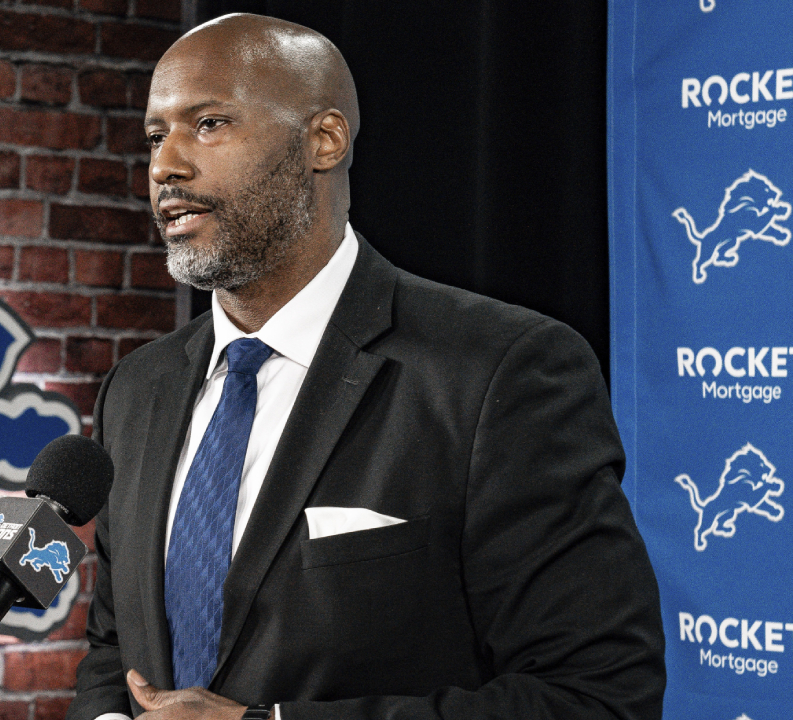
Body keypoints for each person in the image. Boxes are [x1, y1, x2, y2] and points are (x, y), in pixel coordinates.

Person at [67, 13, 665, 720]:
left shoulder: (502, 371)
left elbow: (596, 695)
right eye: (156, 136)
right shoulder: (136, 391)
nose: (166, 166)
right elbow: (116, 647)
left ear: (323, 140)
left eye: (209, 124)